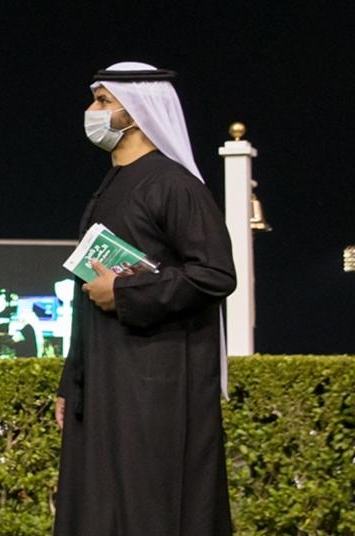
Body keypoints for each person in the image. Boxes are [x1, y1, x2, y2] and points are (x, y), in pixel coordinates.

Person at [55, 61, 237, 536]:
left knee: (151, 507)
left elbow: (215, 274)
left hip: (157, 389)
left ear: (135, 112)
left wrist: (125, 291)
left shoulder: (175, 185)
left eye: (101, 101)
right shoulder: (112, 186)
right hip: (105, 382)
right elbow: (86, 294)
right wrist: (70, 384)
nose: (91, 112)